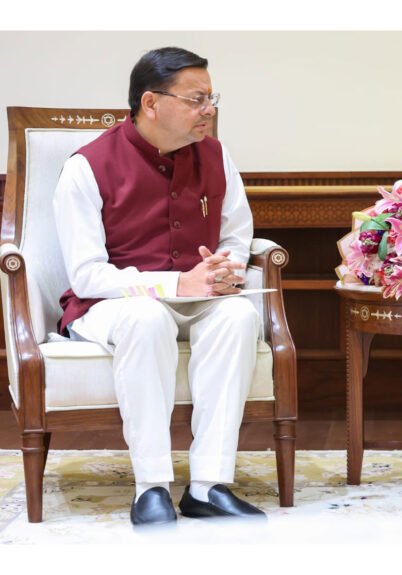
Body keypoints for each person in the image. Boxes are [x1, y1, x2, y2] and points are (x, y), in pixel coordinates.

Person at [53, 47, 266, 527]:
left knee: (238, 315)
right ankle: (150, 486)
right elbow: (87, 274)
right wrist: (175, 282)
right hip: (111, 304)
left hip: (197, 299)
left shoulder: (216, 156)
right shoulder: (87, 167)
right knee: (147, 317)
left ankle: (209, 485)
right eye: (196, 99)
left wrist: (225, 269)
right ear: (151, 102)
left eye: (211, 98)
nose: (209, 110)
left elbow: (236, 234)